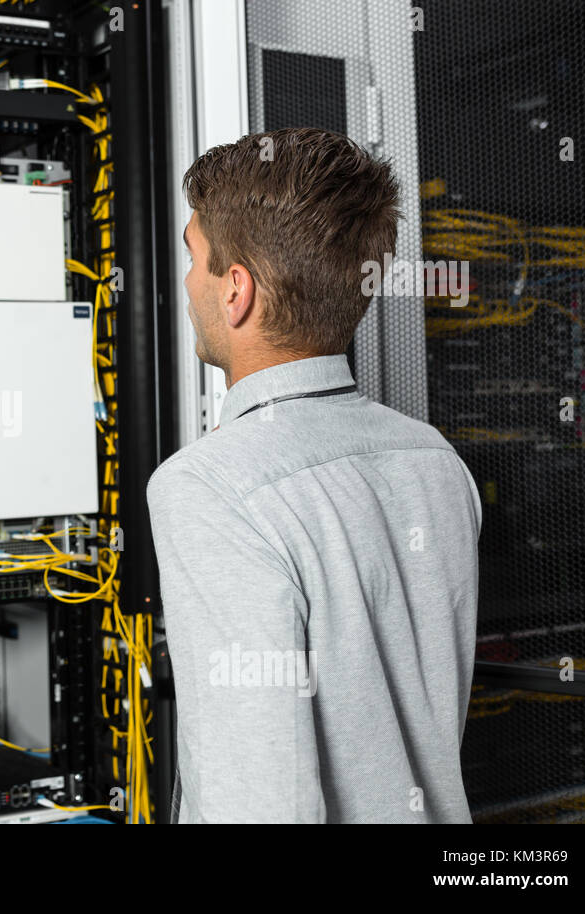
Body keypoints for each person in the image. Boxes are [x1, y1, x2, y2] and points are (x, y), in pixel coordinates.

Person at [147, 127, 482, 823]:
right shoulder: (435, 462)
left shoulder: (208, 489)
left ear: (236, 291)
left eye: (194, 257)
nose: (185, 282)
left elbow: (261, 799)